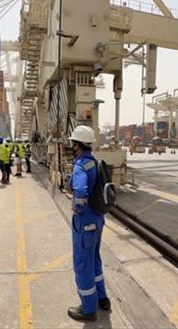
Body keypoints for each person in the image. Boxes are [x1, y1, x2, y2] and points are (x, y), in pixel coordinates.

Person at [67, 125, 110, 322]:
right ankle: (102, 299)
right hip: (98, 219)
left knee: (82, 263)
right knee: (95, 259)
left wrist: (77, 207)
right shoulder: (95, 162)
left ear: (77, 145)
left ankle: (88, 309)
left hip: (85, 221)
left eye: (72, 143)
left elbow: (81, 191)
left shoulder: (81, 165)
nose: (71, 146)